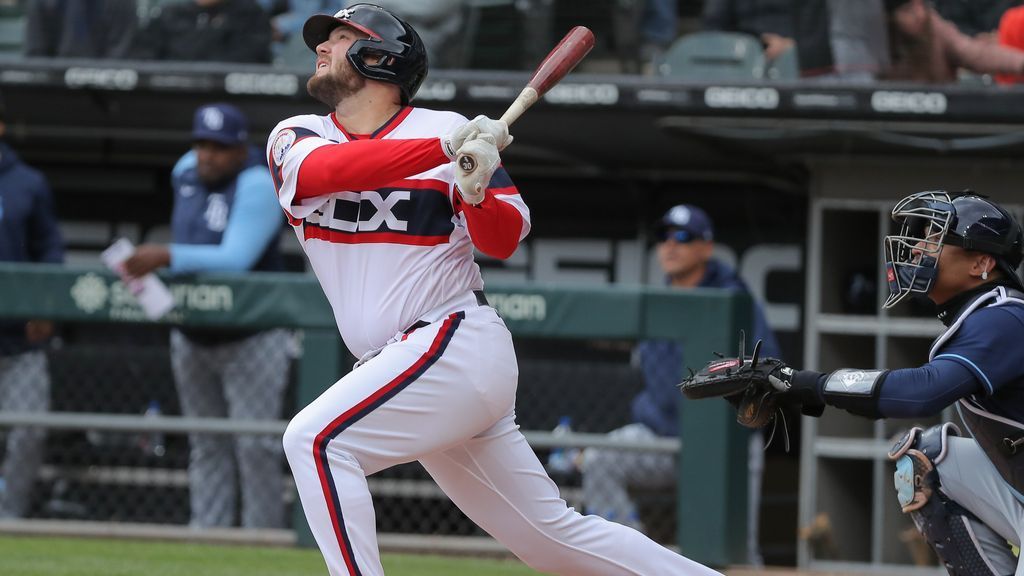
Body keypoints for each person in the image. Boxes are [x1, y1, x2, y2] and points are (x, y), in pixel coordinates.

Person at [269, 5, 721, 575]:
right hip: (403, 365)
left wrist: (476, 187)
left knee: (316, 441)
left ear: (381, 57)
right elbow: (325, 175)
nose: (322, 49)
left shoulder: (445, 130)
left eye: (339, 38)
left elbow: (503, 240)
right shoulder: (299, 135)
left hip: (452, 341)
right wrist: (445, 151)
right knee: (552, 540)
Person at [712, 191, 1024, 575]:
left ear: (982, 262)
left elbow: (922, 393)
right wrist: (802, 386)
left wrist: (808, 384)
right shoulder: (989, 312)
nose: (917, 250)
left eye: (935, 240)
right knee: (928, 460)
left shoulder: (1005, 317)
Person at [581, 204, 780, 566]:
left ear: (706, 248)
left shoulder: (736, 300)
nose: (671, 245)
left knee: (736, 554)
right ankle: (632, 562)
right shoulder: (657, 301)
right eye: (664, 237)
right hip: (661, 437)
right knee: (599, 461)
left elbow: (769, 368)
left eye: (683, 238)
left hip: (724, 448)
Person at [122, 103, 290, 529]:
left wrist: (166, 254)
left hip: (252, 336)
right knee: (206, 443)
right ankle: (207, 536)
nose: (207, 154)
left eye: (219, 146)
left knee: (255, 447)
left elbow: (236, 259)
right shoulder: (185, 172)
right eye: (201, 143)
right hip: (194, 332)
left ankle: (262, 539)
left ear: (239, 149)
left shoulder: (257, 182)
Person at [0, 92, 65, 518]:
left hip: (17, 338)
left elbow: (49, 250)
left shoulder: (26, 181)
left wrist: (45, 306)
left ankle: (10, 514)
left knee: (27, 430)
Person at [885, 0, 1024, 83]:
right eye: (908, 10)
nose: (919, 14)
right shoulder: (879, 41)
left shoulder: (933, 27)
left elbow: (975, 53)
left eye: (920, 5)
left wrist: (1021, 63)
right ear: (890, 18)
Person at [133, 0, 273, 63]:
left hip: (232, 101)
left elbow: (250, 60)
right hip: (169, 98)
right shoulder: (171, 14)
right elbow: (144, 58)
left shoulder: (250, 14)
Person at [23, 0, 139, 59]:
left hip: (107, 95)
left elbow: (120, 64)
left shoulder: (122, 2)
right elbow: (35, 59)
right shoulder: (42, 3)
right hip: (52, 94)